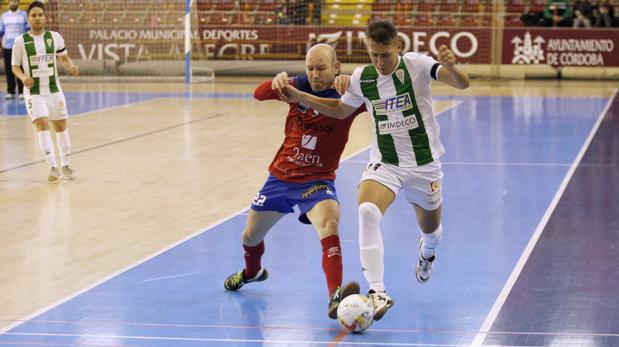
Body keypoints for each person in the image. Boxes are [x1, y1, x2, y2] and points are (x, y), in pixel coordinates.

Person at [279, 20, 470, 320]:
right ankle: (377, 290)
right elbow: (341, 110)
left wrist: (453, 68)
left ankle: (427, 252)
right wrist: (301, 96)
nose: (380, 62)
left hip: (424, 165)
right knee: (367, 211)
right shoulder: (362, 78)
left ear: (398, 47)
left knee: (431, 232)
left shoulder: (417, 65)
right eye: (374, 54)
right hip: (386, 163)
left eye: (385, 54)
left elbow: (462, 84)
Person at [223, 43, 367, 320]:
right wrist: (276, 81)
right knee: (250, 237)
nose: (314, 74)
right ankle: (252, 273)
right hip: (280, 177)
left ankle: (335, 295)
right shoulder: (297, 84)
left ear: (336, 67)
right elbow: (259, 93)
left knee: (329, 223)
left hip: (317, 180)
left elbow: (380, 95)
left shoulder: (348, 95)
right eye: (310, 68)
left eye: (321, 68)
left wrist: (357, 82)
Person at [11, 1, 79, 181]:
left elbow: (64, 58)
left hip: (54, 90)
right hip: (34, 92)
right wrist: (23, 77)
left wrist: (70, 67)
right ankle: (52, 167)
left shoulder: (55, 37)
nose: (37, 18)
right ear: (28, 19)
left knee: (61, 128)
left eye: (40, 14)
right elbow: (15, 67)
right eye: (33, 15)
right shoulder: (20, 41)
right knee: (42, 127)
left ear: (45, 17)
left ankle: (65, 165)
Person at [0, 0, 28, 100]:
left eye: (15, 1)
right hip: (7, 47)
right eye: (11, 1)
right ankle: (10, 92)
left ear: (18, 2)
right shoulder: (4, 16)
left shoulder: (23, 15)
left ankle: (22, 91)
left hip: (20, 47)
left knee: (21, 69)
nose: (13, 3)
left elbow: (28, 30)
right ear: (9, 2)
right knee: (9, 70)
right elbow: (1, 32)